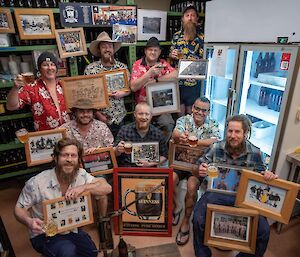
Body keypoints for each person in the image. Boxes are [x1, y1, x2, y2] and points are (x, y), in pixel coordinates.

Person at [192, 114, 278, 257]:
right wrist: (199, 169)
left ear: (245, 133)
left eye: (237, 132)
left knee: (263, 231)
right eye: (230, 131)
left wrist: (268, 176)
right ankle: (202, 254)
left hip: (244, 197)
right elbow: (196, 166)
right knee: (197, 219)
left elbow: (262, 177)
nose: (232, 135)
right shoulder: (215, 147)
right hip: (216, 193)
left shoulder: (255, 152)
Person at [14, 138, 112, 257]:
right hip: (45, 233)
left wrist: (84, 187)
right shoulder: (37, 182)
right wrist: (28, 221)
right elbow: (19, 209)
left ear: (78, 159)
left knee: (91, 253)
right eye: (65, 155)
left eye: (73, 155)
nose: (69, 159)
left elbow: (106, 188)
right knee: (67, 251)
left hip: (70, 229)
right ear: (55, 158)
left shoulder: (81, 174)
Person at [171, 97, 220, 246]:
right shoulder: (183, 120)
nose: (200, 112)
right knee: (170, 179)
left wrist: (195, 141)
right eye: (197, 108)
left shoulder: (213, 123)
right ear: (192, 108)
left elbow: (215, 141)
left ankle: (186, 221)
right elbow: (175, 134)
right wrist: (181, 136)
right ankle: (176, 207)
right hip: (181, 162)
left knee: (192, 187)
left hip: (198, 166)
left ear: (208, 112)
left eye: (204, 110)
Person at [6, 51, 70, 131]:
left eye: (52, 64)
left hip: (68, 134)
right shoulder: (32, 87)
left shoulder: (64, 84)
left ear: (56, 68)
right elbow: (11, 106)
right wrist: (15, 88)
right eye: (45, 65)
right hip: (47, 137)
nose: (50, 68)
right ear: (39, 68)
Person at [84, 31, 131, 137]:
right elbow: (87, 96)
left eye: (110, 46)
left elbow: (129, 89)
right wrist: (98, 114)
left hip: (120, 117)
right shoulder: (91, 69)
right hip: (100, 118)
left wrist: (122, 93)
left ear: (113, 49)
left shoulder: (122, 67)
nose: (107, 49)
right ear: (99, 50)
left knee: (120, 148)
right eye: (104, 46)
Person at [130, 37, 178, 140]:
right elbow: (133, 87)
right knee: (142, 128)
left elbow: (176, 74)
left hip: (161, 106)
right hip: (143, 106)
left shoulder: (163, 64)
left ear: (160, 52)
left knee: (168, 124)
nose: (153, 52)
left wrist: (157, 80)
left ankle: (162, 150)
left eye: (156, 50)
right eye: (150, 49)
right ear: (145, 51)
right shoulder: (137, 65)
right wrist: (149, 73)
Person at [169, 5, 205, 116]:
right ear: (182, 19)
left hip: (193, 82)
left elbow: (205, 61)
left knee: (191, 112)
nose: (190, 18)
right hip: (177, 81)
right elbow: (170, 54)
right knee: (179, 111)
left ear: (197, 19)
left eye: (193, 15)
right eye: (187, 15)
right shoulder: (176, 36)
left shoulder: (202, 38)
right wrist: (172, 55)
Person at [115, 102, 168, 167]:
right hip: (128, 170)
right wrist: (118, 150)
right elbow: (114, 153)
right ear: (135, 114)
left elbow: (164, 156)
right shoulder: (124, 130)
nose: (143, 117)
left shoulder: (158, 134)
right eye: (140, 114)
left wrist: (150, 163)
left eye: (147, 114)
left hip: (149, 171)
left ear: (151, 116)